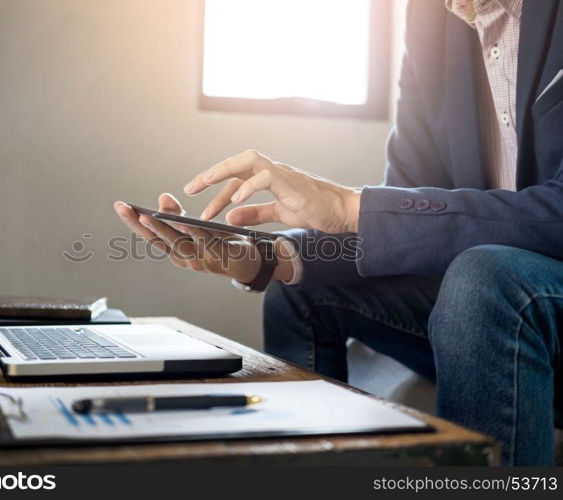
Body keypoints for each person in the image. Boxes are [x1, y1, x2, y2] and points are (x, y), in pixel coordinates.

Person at [115, 0, 563, 465]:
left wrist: (348, 206)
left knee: (483, 278)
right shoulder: (432, 17)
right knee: (298, 288)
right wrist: (268, 258)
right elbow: (411, 226)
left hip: (518, 297)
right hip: (488, 305)